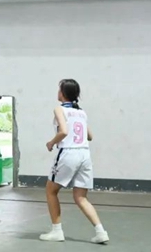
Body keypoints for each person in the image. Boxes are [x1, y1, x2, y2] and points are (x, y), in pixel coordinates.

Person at [39, 79, 109, 244]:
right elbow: (89, 136)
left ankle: (57, 231)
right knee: (81, 197)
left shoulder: (59, 109)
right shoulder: (81, 112)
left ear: (63, 93)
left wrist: (51, 142)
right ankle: (101, 231)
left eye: (59, 89)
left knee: (51, 191)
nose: (58, 92)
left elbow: (64, 131)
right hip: (84, 154)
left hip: (69, 153)